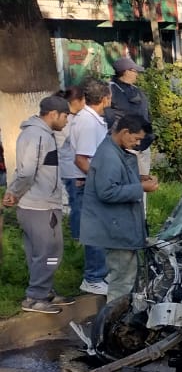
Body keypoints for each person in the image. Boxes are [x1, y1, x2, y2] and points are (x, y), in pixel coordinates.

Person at [4, 95, 73, 312]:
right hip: (39, 206)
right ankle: (36, 297)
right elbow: (26, 172)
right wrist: (14, 193)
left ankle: (44, 289)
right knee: (51, 252)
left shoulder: (42, 134)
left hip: (40, 204)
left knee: (41, 252)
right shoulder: (36, 135)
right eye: (65, 117)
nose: (67, 122)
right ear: (53, 114)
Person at [80, 113, 158, 302]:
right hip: (115, 230)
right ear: (124, 132)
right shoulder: (109, 155)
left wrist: (139, 179)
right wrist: (141, 187)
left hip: (119, 227)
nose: (137, 143)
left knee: (126, 277)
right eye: (136, 138)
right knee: (122, 281)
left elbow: (116, 180)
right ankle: (113, 324)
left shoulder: (114, 150)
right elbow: (107, 191)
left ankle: (119, 319)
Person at [64, 78, 113, 295]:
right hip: (88, 185)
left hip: (91, 182)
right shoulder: (87, 122)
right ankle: (93, 277)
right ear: (104, 99)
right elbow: (82, 160)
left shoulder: (92, 119)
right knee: (95, 232)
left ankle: (102, 272)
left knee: (102, 230)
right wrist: (99, 181)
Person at [109, 55, 153, 174]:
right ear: (125, 72)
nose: (136, 74)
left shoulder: (137, 90)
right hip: (126, 144)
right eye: (134, 71)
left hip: (143, 143)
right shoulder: (111, 90)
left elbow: (146, 113)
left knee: (144, 181)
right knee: (129, 180)